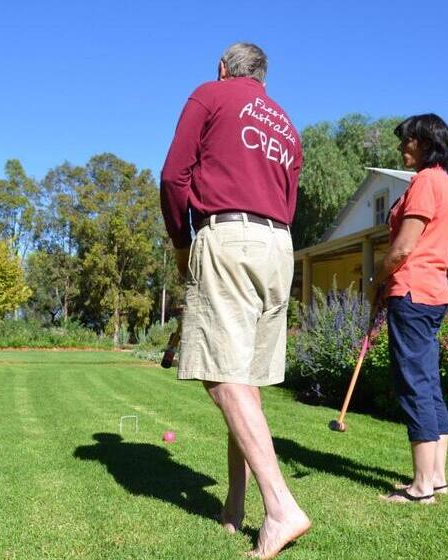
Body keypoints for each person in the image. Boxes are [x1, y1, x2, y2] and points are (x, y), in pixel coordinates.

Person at [160, 43, 309, 558]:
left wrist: (183, 243)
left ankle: (281, 507)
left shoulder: (211, 94)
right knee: (244, 379)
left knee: (220, 374)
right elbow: (289, 198)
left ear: (223, 69)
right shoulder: (287, 125)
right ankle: (234, 507)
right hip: (279, 246)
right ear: (263, 78)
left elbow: (174, 176)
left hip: (229, 236)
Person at [372, 114, 448, 504]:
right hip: (433, 294)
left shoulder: (424, 182)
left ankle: (421, 487)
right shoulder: (444, 182)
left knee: (415, 385)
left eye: (406, 140)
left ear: (423, 142)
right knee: (430, 384)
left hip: (412, 292)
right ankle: (436, 477)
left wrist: (377, 278)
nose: (402, 147)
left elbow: (404, 248)